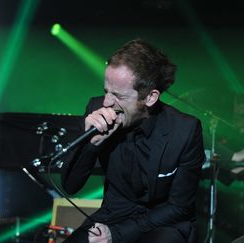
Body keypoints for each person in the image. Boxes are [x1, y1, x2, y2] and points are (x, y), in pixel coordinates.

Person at [61, 39, 205, 243]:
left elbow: (179, 207)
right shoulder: (96, 110)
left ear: (150, 97)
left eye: (118, 95)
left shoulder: (184, 130)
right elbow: (70, 186)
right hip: (112, 217)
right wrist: (92, 145)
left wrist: (118, 235)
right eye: (106, 91)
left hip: (164, 223)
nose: (107, 102)